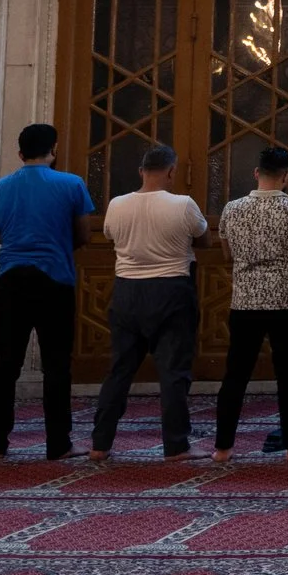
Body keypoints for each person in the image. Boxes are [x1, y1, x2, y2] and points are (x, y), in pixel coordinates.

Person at [0, 123, 101, 460]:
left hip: (12, 280)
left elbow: (2, 236)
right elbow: (83, 236)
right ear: (54, 149)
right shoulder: (71, 184)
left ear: (20, 153)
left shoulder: (1, 187)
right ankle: (58, 443)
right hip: (55, 280)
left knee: (5, 364)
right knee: (56, 364)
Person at [88, 144, 212, 461]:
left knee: (119, 370)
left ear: (141, 171)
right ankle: (176, 444)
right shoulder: (183, 204)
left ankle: (100, 443)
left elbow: (111, 236)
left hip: (127, 291)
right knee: (173, 372)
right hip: (171, 290)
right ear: (171, 171)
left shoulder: (116, 205)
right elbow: (204, 239)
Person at [212, 145, 288, 462]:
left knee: (235, 375)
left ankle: (222, 448)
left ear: (257, 173)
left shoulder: (232, 209)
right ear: (287, 176)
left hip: (245, 302)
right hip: (285, 301)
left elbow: (227, 254)